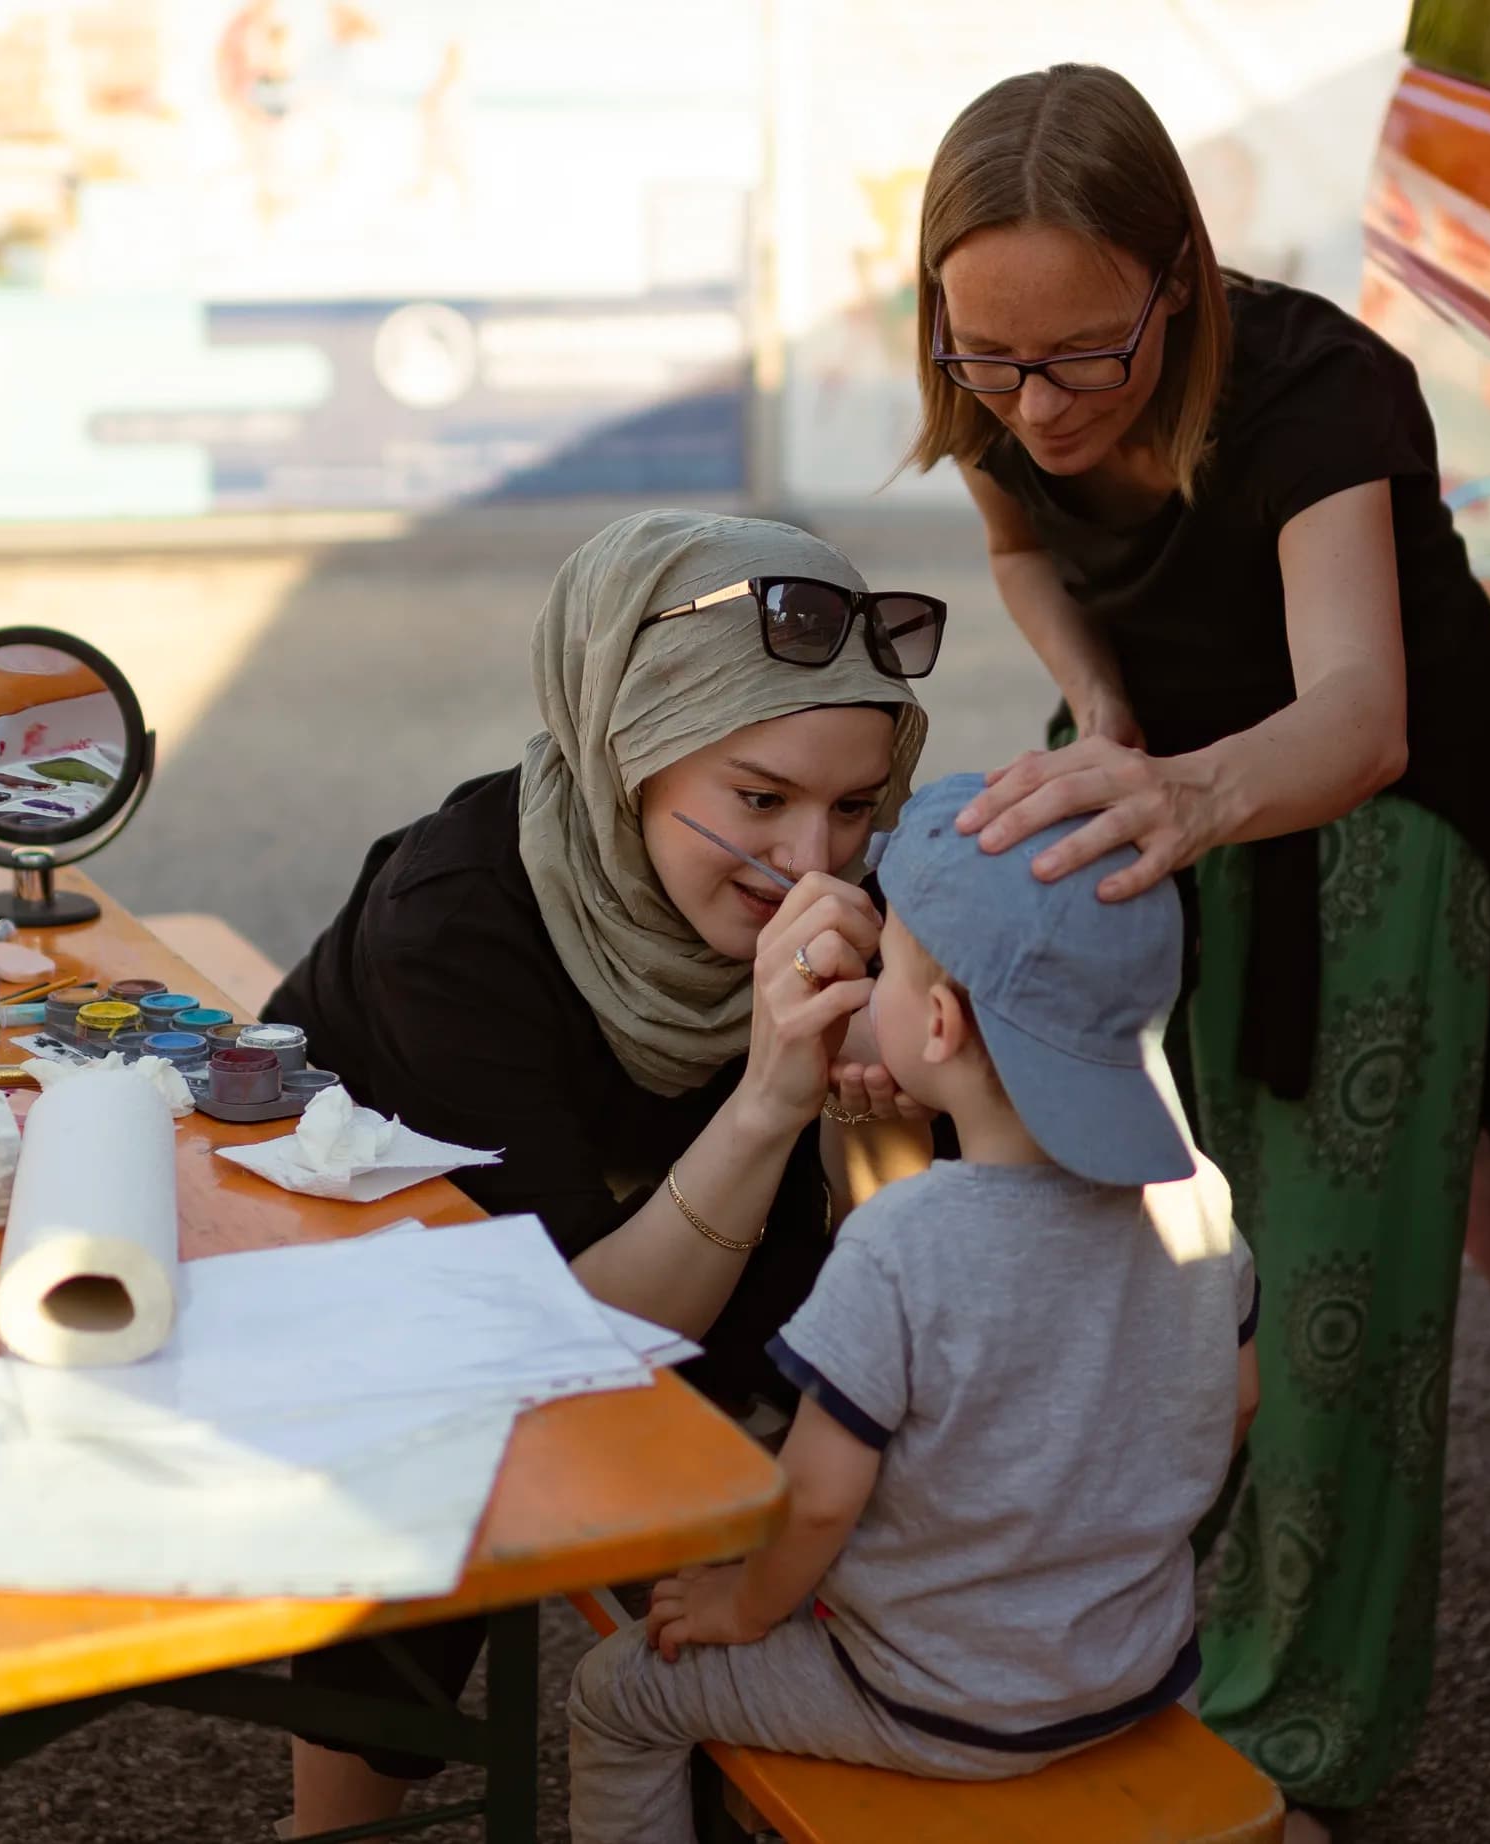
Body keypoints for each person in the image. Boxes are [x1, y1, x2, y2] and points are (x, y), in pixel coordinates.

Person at [904, 64, 1490, 1838]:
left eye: (1086, 355)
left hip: (1361, 839)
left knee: (1336, 1309)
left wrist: (1176, 789)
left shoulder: (1321, 390)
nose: (1035, 402)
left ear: (1180, 278)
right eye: (989, 360)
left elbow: (1361, 714)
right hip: (1169, 786)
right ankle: (1179, 1632)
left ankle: (1295, 1741)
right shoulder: (989, 352)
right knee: (1176, 1251)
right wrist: (1104, 704)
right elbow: (1025, 546)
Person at [261, 508, 944, 1833]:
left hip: (652, 1208)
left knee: (845, 1400)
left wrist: (884, 1108)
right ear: (625, 752)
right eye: (758, 798)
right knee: (452, 1436)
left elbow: (925, 1269)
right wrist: (769, 1098)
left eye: (855, 806)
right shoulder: (454, 929)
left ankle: (802, 1728)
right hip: (393, 1212)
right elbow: (572, 1343)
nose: (810, 863)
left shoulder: (867, 901)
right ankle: (335, 1816)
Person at [565, 773, 1259, 1844]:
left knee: (621, 1690)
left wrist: (738, 1606)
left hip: (931, 1700)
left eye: (886, 960)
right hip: (1134, 1666)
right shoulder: (1201, 1203)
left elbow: (818, 1501)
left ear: (934, 1020)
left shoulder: (903, 1241)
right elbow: (1234, 1403)